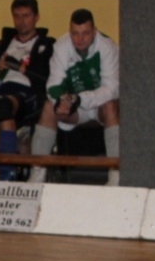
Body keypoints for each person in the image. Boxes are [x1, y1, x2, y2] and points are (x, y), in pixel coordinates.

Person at [28, 9, 120, 186]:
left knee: (110, 105)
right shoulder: (61, 46)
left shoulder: (108, 46)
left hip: (100, 107)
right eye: (75, 34)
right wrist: (62, 101)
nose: (80, 39)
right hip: (74, 107)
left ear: (94, 31)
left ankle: (115, 173)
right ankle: (37, 172)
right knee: (49, 107)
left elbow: (112, 89)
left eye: (85, 33)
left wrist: (79, 99)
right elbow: (53, 84)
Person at [0, 0, 55, 181]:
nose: (21, 21)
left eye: (26, 16)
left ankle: (7, 173)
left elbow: (46, 79)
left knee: (3, 106)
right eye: (17, 16)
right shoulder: (3, 44)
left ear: (36, 17)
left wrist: (21, 68)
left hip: (25, 91)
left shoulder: (46, 45)